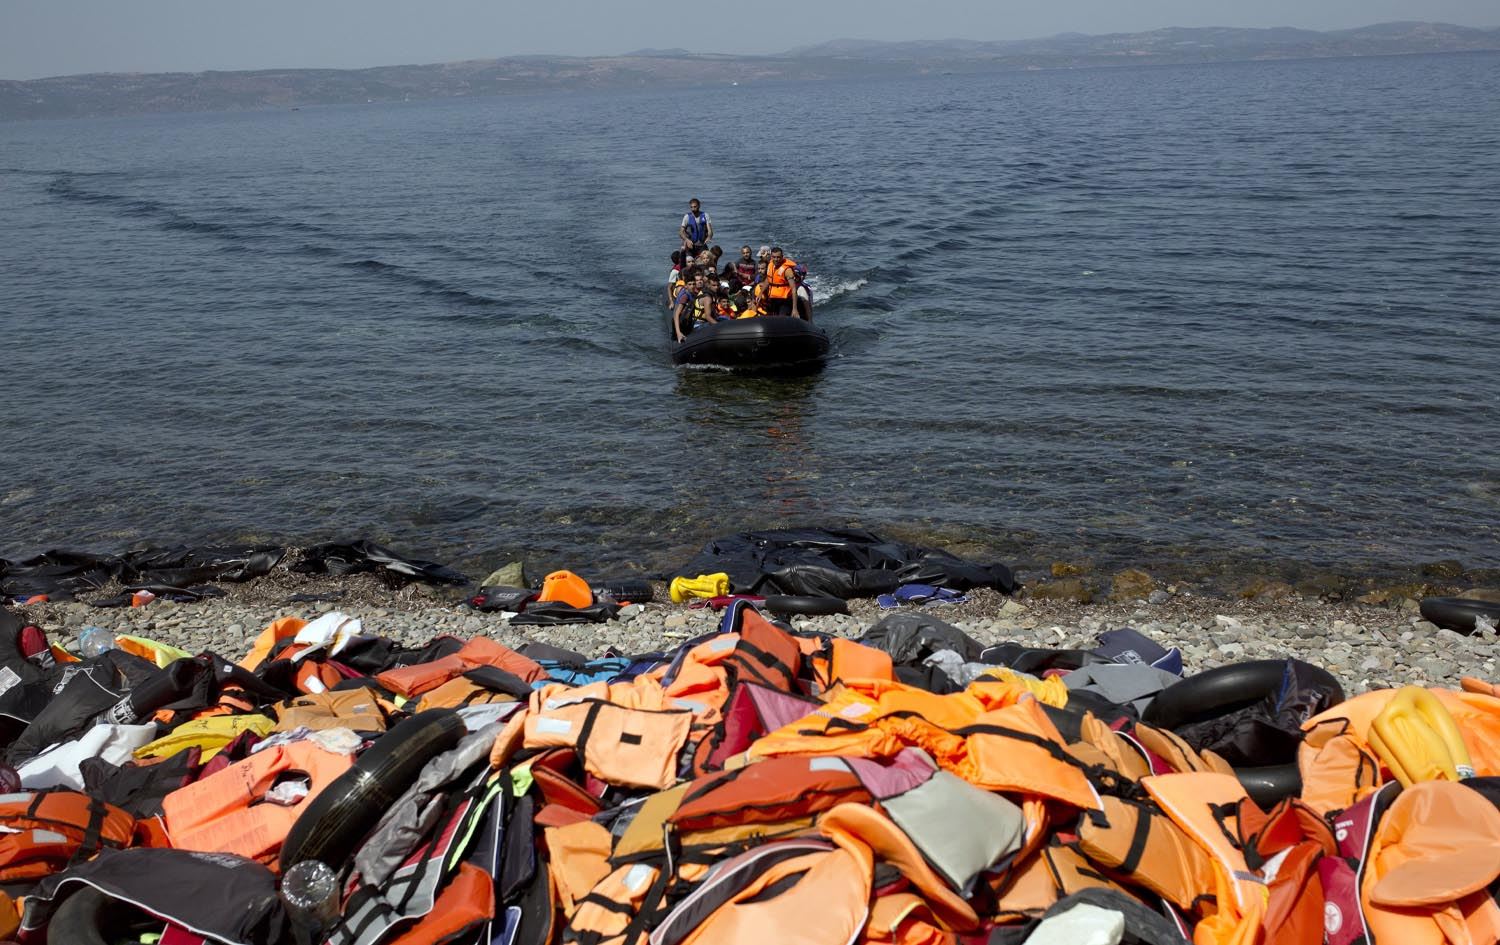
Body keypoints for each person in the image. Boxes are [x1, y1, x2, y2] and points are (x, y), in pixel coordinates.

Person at [671, 272, 717, 342]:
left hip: (690, 323)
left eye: (693, 284)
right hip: (683, 325)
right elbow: (676, 314)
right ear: (685, 286)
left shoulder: (695, 294)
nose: (692, 286)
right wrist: (678, 333)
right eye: (689, 284)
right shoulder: (685, 297)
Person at [762, 246, 800, 317]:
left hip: (785, 301)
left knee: (782, 320)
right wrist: (760, 293)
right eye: (774, 257)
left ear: (782, 257)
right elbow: (768, 279)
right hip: (773, 299)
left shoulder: (787, 270)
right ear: (771, 257)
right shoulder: (770, 265)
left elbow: (794, 289)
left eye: (778, 257)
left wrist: (795, 309)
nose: (776, 259)